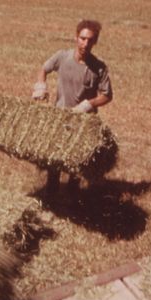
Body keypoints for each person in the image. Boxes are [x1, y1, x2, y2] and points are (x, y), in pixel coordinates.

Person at [32, 19, 113, 191]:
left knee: (76, 164)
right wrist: (40, 86)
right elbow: (44, 69)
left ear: (95, 42)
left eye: (90, 40)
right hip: (60, 117)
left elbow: (107, 95)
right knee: (54, 161)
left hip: (83, 122)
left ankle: (72, 198)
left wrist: (88, 105)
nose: (86, 43)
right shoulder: (62, 57)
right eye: (83, 38)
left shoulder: (99, 68)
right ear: (76, 38)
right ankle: (51, 194)